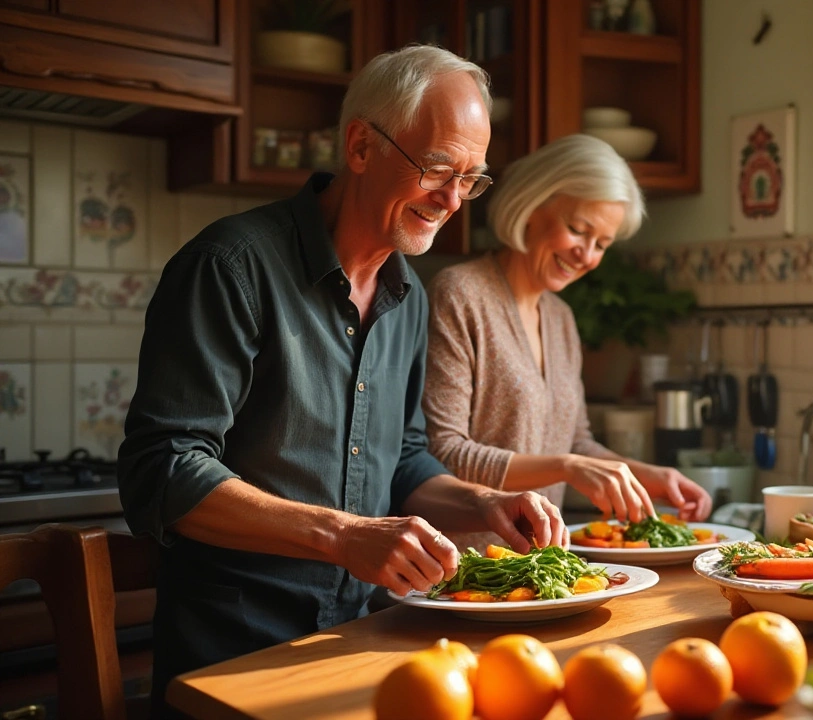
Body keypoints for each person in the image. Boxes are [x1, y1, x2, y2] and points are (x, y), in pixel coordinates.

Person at [117, 45, 569, 715]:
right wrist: (343, 534)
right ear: (361, 145)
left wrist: (483, 505)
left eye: (471, 178)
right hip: (232, 659)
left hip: (361, 641)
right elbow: (164, 472)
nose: (451, 199)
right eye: (437, 167)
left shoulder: (409, 296)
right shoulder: (232, 266)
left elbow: (404, 458)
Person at [422, 134, 713, 529]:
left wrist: (648, 475)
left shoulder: (560, 318)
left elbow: (574, 444)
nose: (587, 255)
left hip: (542, 567)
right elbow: (444, 452)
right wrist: (568, 467)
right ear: (530, 205)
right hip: (463, 566)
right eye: (578, 229)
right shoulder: (461, 294)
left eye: (602, 244)